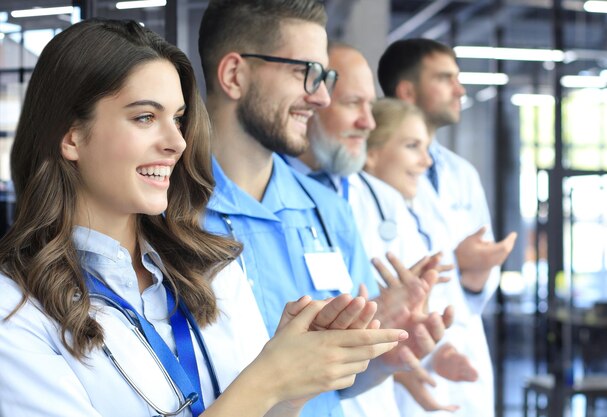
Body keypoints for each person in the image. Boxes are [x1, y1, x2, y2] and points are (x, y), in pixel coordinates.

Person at [0, 19, 408, 417]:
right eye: (145, 117)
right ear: (71, 136)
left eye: (178, 118)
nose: (176, 141)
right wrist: (269, 376)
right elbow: (257, 391)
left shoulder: (213, 269)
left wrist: (294, 383)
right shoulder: (14, 310)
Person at [198, 2, 448, 417]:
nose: (321, 97)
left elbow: (335, 384)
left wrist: (384, 356)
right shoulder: (165, 212)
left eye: (325, 77)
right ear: (234, 75)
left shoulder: (327, 212)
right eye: (304, 73)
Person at [293, 44, 473, 417]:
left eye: (370, 106)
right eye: (352, 104)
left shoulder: (378, 198)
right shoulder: (288, 196)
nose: (368, 121)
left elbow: (407, 313)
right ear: (312, 103)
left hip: (373, 393)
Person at [378, 39, 518, 417]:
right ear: (407, 91)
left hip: (463, 346)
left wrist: (475, 273)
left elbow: (472, 284)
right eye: (445, 78)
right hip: (405, 366)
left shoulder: (462, 173)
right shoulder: (375, 173)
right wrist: (457, 261)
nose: (460, 89)